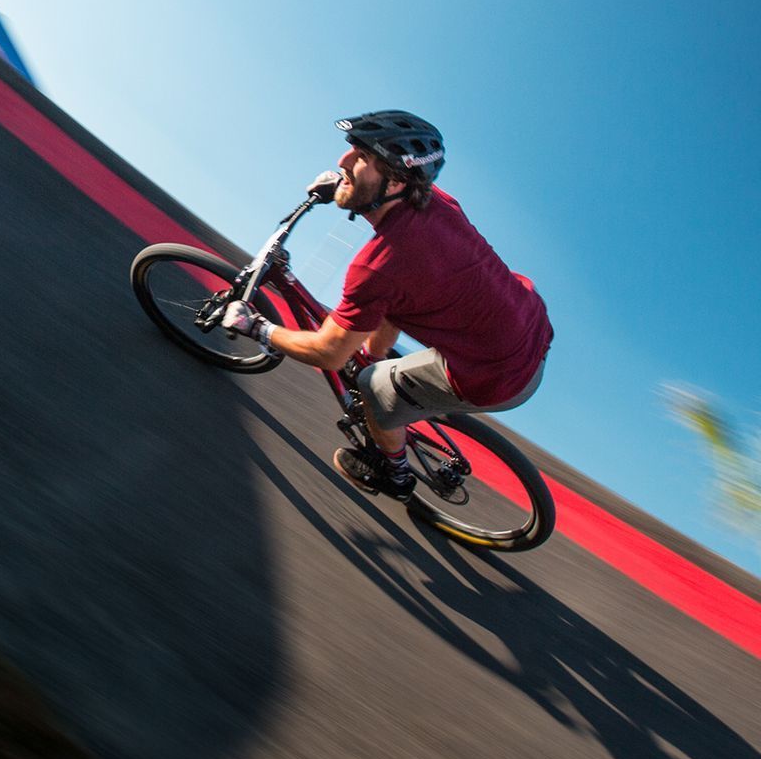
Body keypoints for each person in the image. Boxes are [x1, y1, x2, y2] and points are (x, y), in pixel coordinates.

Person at [223, 111, 552, 499]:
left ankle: (392, 474)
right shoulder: (437, 202)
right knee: (388, 326)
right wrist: (346, 188)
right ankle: (379, 364)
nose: (342, 162)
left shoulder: (376, 268)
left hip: (499, 375)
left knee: (371, 386)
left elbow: (328, 352)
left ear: (396, 179)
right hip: (526, 327)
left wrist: (259, 328)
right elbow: (404, 275)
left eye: (361, 157)